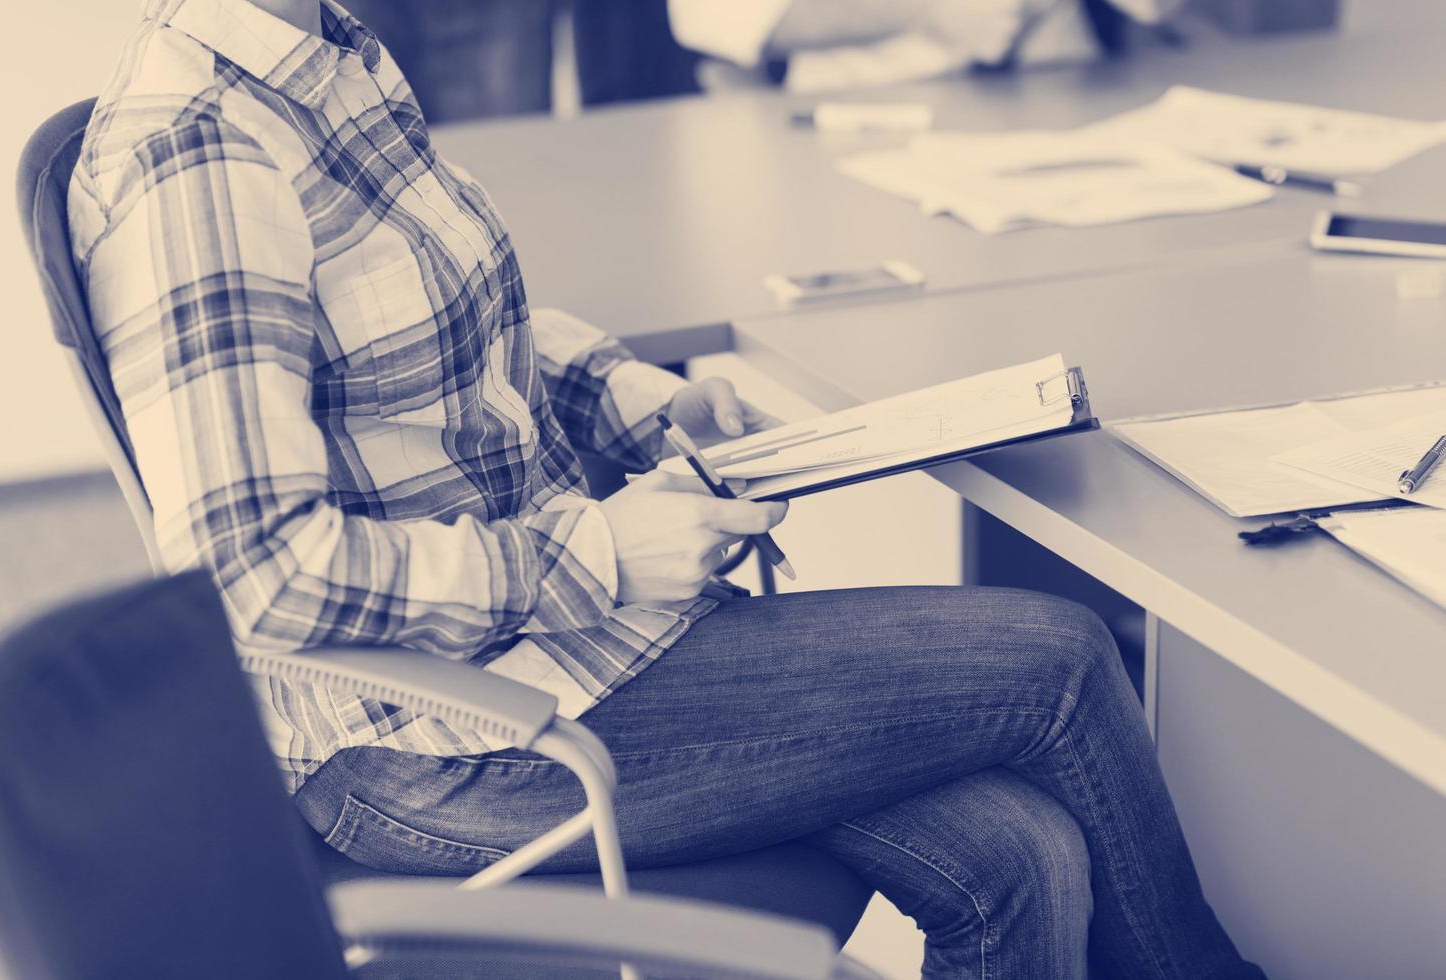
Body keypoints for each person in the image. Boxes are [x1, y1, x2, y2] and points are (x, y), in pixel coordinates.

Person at [70, 1, 1265, 976]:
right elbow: (254, 577)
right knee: (1057, 659)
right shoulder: (197, 154)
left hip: (585, 647)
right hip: (445, 737)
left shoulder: (328, 53)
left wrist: (633, 393)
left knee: (1023, 853)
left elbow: (451, 326)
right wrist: (593, 555)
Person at [668, 0, 1184, 92]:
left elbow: (1158, 5)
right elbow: (716, 18)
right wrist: (931, 9)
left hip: (1061, 94)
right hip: (862, 116)